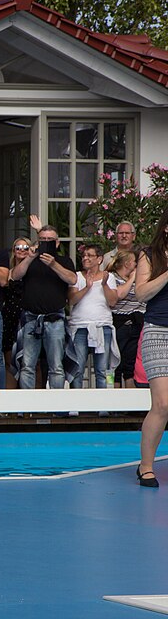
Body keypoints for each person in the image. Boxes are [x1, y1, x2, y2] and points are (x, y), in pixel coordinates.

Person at [10, 222, 77, 389]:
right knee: (27, 365)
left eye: (50, 240)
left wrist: (53, 264)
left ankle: (56, 402)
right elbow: (14, 276)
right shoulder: (30, 260)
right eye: (42, 240)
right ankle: (28, 403)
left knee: (56, 366)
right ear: (37, 242)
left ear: (57, 243)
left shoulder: (64, 260)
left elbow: (72, 279)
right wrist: (29, 258)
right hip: (31, 318)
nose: (46, 242)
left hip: (55, 318)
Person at [134, 209, 168, 487]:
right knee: (163, 403)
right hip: (159, 331)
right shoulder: (149, 255)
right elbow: (141, 293)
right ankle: (146, 466)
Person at [66, 244, 118, 389]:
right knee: (78, 369)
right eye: (83, 256)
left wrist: (104, 285)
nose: (85, 258)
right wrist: (87, 287)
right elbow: (71, 300)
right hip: (80, 326)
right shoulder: (77, 276)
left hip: (102, 326)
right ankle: (77, 401)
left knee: (102, 370)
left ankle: (103, 401)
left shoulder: (109, 277)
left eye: (89, 255)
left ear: (99, 259)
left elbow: (112, 301)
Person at [109, 250, 146, 388]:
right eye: (135, 262)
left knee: (131, 363)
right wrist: (131, 279)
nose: (136, 265)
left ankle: (131, 394)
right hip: (120, 323)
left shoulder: (140, 279)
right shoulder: (113, 277)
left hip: (137, 323)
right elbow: (119, 294)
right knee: (117, 362)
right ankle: (116, 394)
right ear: (127, 263)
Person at [3, 237, 33, 388]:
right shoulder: (8, 272)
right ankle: (10, 399)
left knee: (32, 361)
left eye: (26, 248)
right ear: (13, 251)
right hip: (10, 318)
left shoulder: (34, 272)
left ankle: (34, 400)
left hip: (29, 318)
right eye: (18, 247)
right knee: (10, 361)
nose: (22, 250)